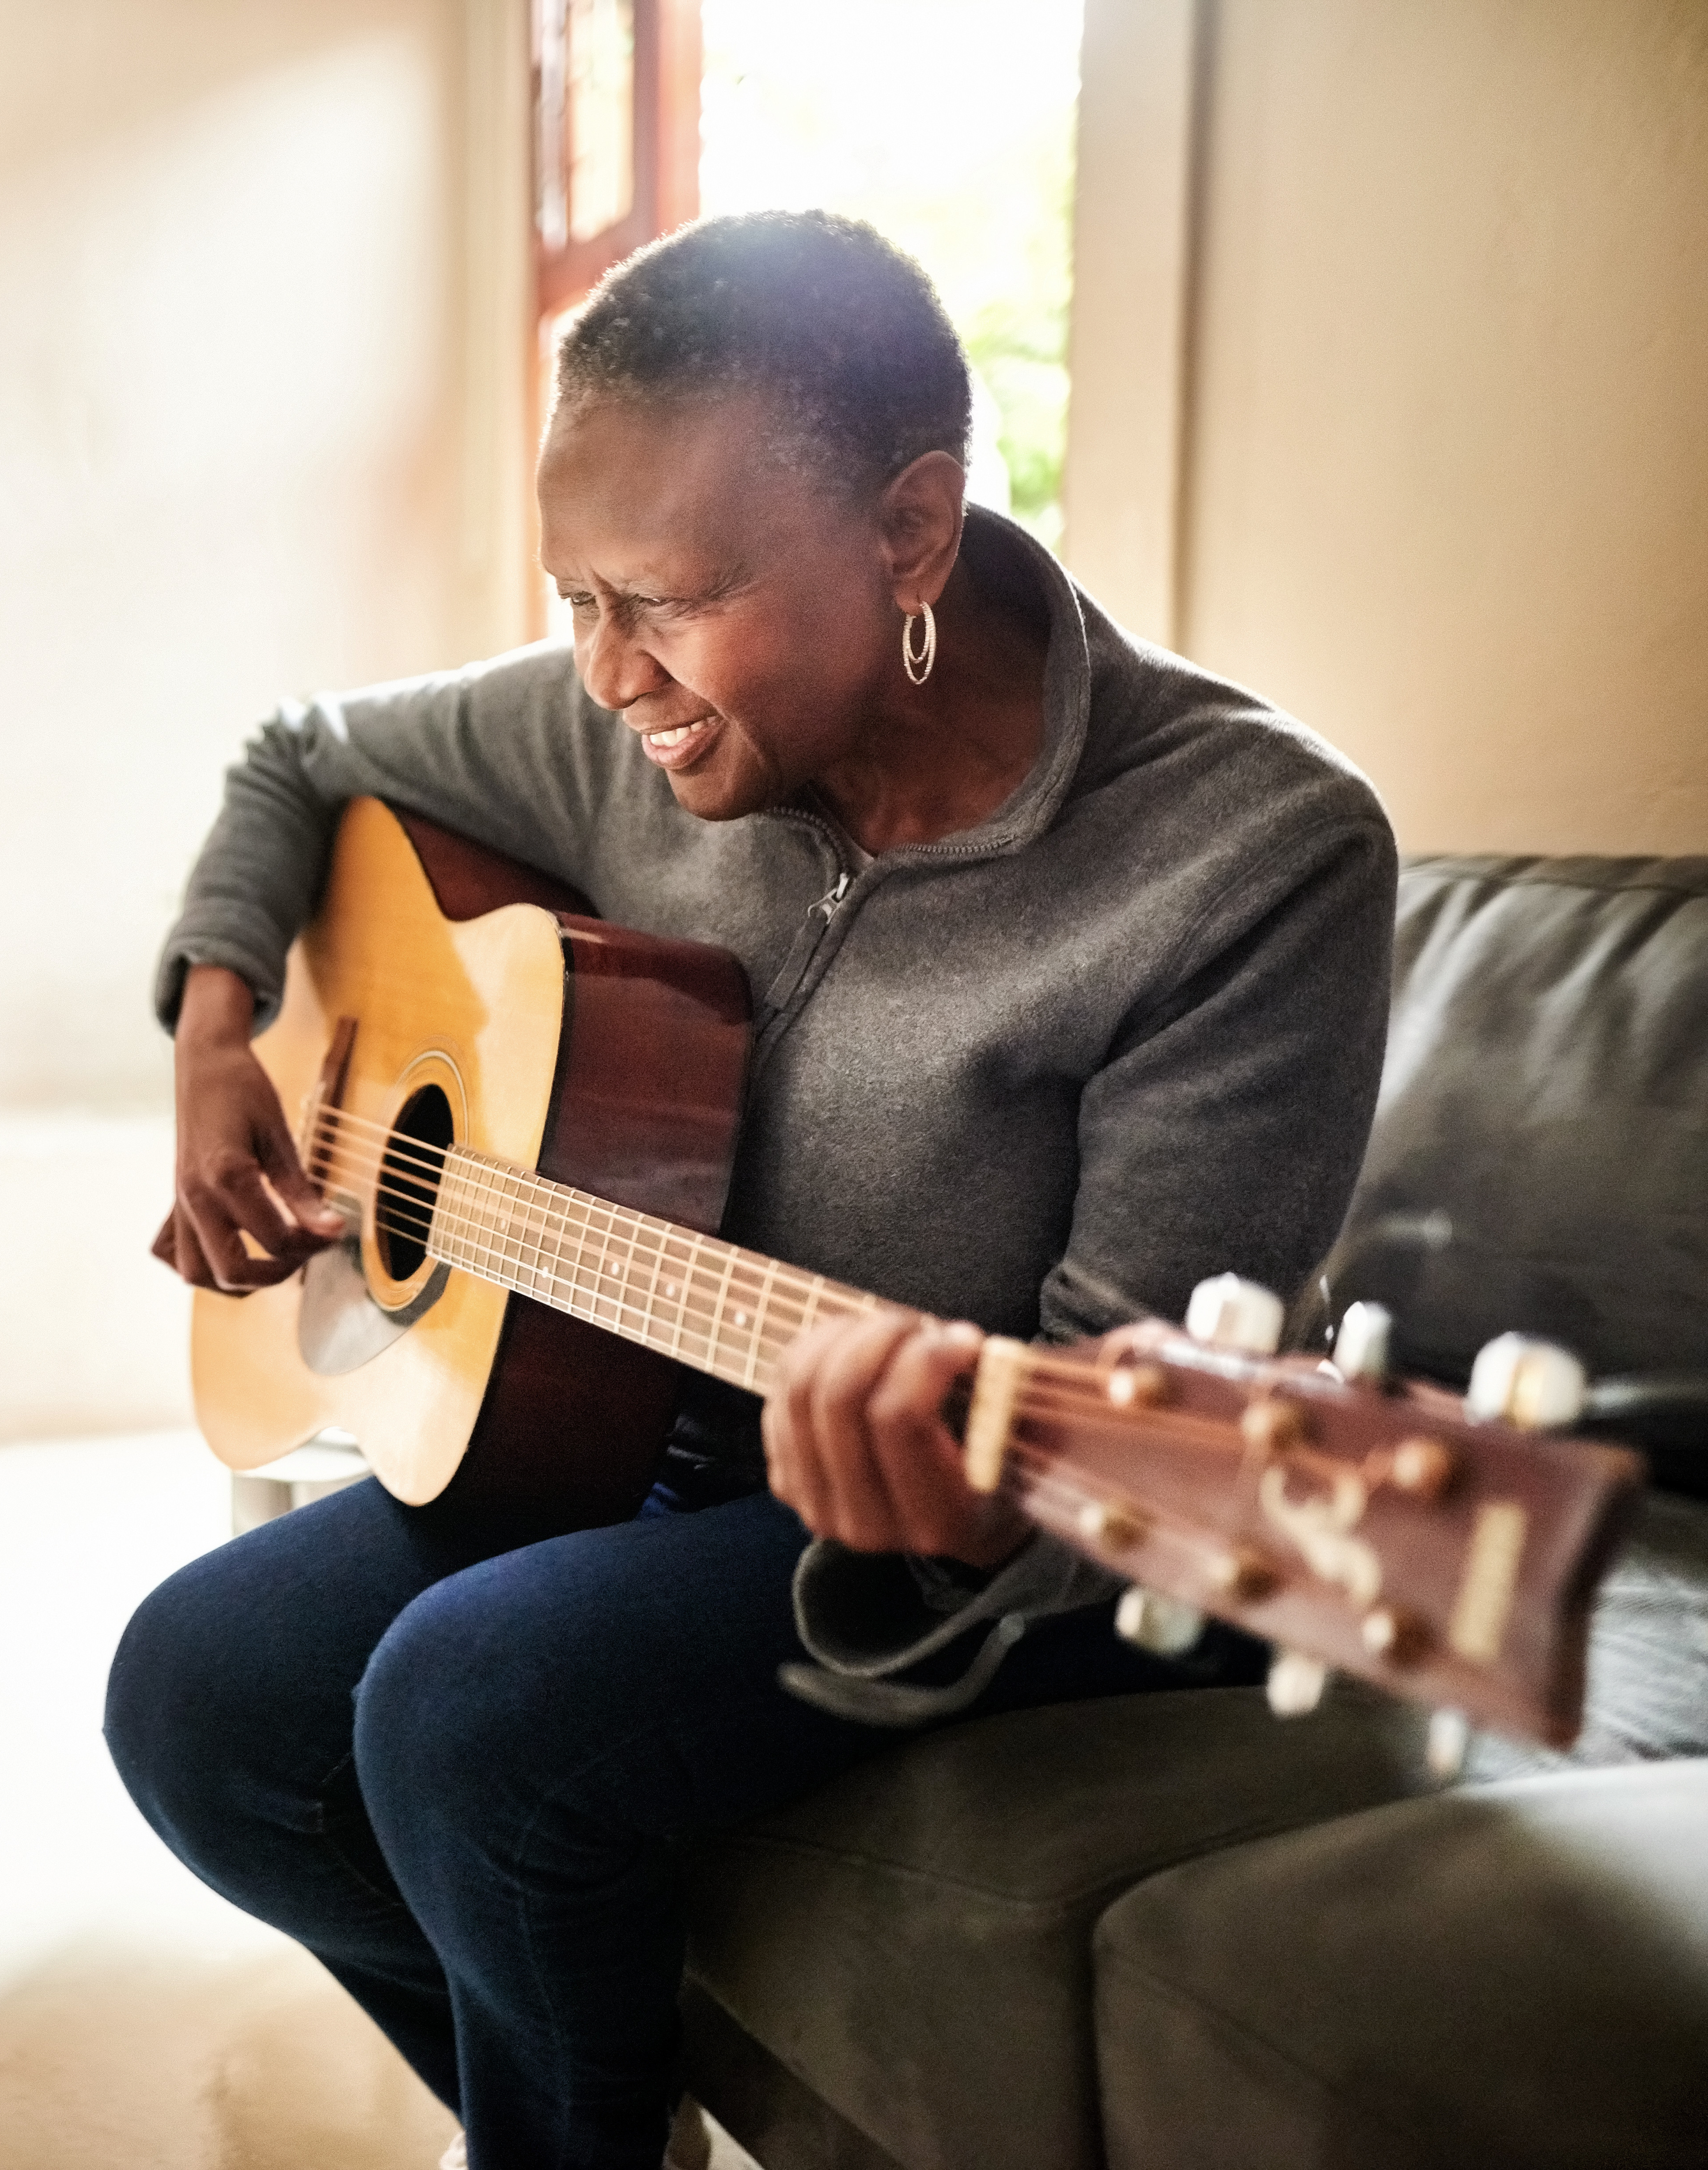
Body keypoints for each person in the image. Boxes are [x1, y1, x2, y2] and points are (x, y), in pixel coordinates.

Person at [102, 211, 1397, 2170]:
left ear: (908, 533)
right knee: (191, 1692)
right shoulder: (633, 716)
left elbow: (1112, 1456)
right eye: (572, 598)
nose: (608, 674)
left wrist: (946, 1476)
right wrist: (216, 1029)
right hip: (637, 1425)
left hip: (998, 1521)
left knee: (467, 1702)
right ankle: (583, 2089)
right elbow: (303, 754)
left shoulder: (1245, 852)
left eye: (665, 602)